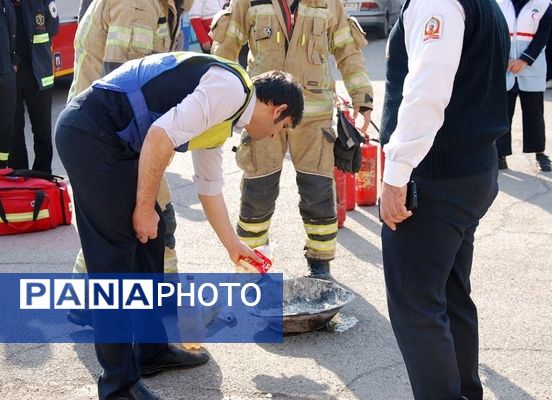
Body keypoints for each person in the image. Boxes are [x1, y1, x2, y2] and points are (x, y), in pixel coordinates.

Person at [55, 52, 303, 400]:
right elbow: (159, 136)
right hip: (91, 134)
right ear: (277, 110)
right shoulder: (231, 90)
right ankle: (118, 387)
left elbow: (209, 188)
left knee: (149, 243)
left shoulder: (228, 112)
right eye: (283, 128)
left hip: (115, 142)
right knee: (113, 263)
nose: (276, 135)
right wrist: (143, 207)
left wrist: (234, 247)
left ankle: (151, 351)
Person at [379, 0, 509, 398]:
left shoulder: (437, 2)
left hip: (437, 177)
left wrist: (396, 174)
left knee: (416, 304)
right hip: (472, 169)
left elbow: (427, 91)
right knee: (450, 295)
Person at [212, 0, 373, 280]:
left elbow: (348, 50)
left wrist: (362, 96)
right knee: (257, 193)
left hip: (314, 118)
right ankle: (251, 266)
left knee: (318, 192)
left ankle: (320, 267)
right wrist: (218, 100)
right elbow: (225, 50)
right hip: (261, 114)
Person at [66, 0, 193, 327]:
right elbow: (127, 88)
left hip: (110, 128)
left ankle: (87, 301)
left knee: (111, 222)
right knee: (155, 217)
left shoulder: (164, 5)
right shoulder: (137, 4)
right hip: (110, 131)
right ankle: (160, 309)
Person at [496, 0, 552, 172]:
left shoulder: (543, 4)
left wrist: (525, 59)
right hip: (505, 66)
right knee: (503, 113)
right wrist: (504, 58)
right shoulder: (498, 3)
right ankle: (500, 154)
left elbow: (544, 35)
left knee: (534, 113)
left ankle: (539, 152)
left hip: (531, 67)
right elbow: (493, 32)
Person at [8, 0, 58, 173]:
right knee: (14, 135)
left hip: (39, 76)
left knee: (43, 133)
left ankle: (43, 179)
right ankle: (20, 180)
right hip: (10, 77)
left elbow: (53, 27)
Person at [0, 0, 17, 170]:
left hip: (6, 76)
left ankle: (3, 168)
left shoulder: (7, 4)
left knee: (6, 128)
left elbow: (12, 32)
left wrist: (13, 61)